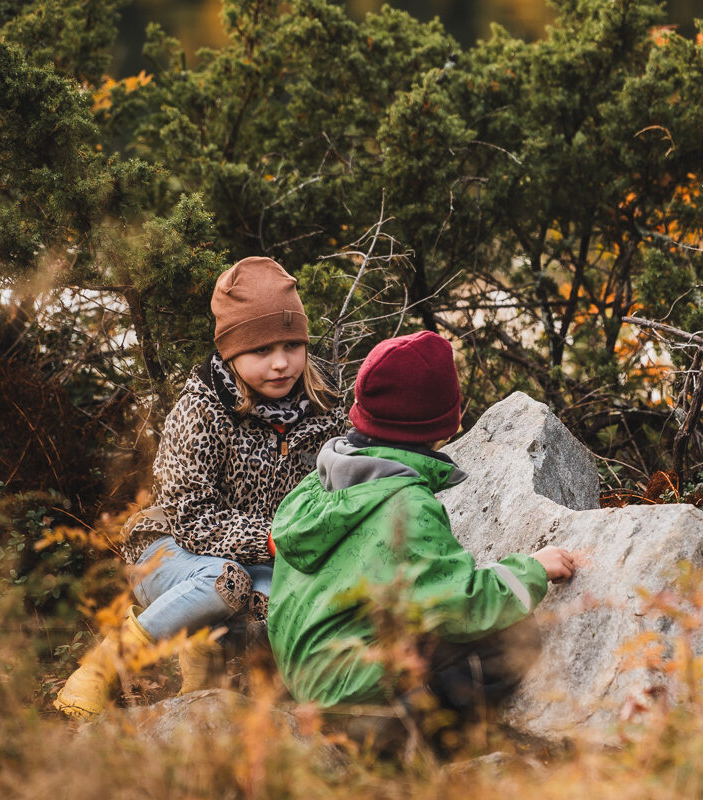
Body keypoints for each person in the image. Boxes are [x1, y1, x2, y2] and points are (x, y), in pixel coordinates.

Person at [53, 256, 348, 719]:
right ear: (231, 352)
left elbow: (338, 484)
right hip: (170, 549)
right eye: (261, 350)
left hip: (267, 556)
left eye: (293, 344)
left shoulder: (325, 406)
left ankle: (204, 669)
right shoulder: (201, 410)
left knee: (285, 604)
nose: (280, 362)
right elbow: (192, 515)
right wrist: (273, 537)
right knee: (222, 579)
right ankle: (102, 667)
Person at [265, 331, 577, 747]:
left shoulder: (319, 480)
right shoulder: (407, 504)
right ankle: (418, 743)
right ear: (444, 422)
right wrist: (532, 569)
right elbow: (460, 605)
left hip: (304, 672)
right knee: (512, 636)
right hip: (351, 697)